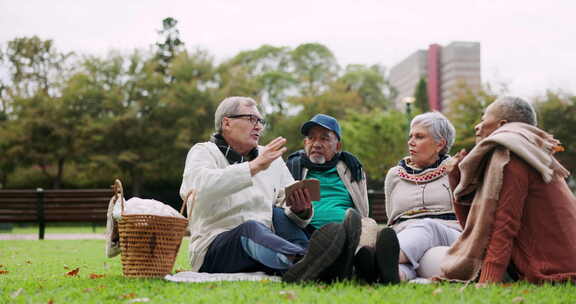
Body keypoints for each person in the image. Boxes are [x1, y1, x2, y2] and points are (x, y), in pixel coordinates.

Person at [179, 96, 359, 283]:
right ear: (227, 122)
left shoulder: (269, 157)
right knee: (251, 228)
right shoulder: (204, 151)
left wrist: (301, 209)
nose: (258, 126)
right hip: (213, 248)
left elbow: (286, 202)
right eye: (251, 119)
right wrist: (253, 167)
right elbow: (197, 189)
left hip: (266, 245)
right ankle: (319, 262)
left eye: (260, 121)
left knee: (279, 216)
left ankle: (322, 264)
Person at [435, 96, 576, 284]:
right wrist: (456, 180)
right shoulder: (526, 150)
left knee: (438, 261)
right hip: (552, 259)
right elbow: (476, 230)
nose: (477, 126)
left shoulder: (510, 154)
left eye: (484, 119)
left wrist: (488, 281)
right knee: (439, 258)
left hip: (553, 265)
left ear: (501, 124)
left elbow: (504, 223)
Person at [355, 112, 462, 284]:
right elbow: (393, 216)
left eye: (419, 137)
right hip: (407, 236)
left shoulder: (457, 170)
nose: (410, 142)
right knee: (409, 263)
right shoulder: (394, 175)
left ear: (439, 144)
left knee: (427, 225)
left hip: (449, 233)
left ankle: (379, 258)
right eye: (410, 136)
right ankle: (393, 275)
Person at [284, 113, 373, 281]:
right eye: (311, 138)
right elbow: (281, 207)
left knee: (369, 224)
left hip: (350, 231)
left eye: (324, 139)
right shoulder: (293, 167)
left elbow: (363, 209)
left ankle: (352, 258)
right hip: (307, 234)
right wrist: (298, 211)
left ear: (337, 146)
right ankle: (350, 265)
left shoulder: (352, 168)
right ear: (305, 143)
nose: (316, 144)